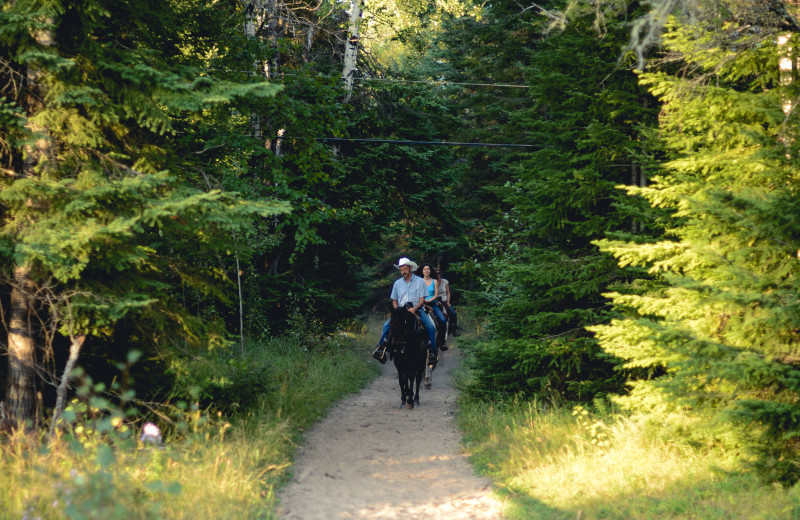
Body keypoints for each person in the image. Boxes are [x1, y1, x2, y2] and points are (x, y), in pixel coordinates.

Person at [377, 257, 438, 360]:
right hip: (401, 310)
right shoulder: (397, 283)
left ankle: (432, 350)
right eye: (401, 270)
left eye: (405, 269)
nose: (403, 271)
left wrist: (414, 308)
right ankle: (382, 348)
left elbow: (422, 299)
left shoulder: (420, 281)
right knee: (387, 325)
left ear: (410, 268)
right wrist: (397, 311)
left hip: (417, 309)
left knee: (430, 326)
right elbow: (394, 300)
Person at [417, 262, 447, 328]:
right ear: (422, 271)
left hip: (432, 304)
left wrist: (429, 300)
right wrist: (423, 300)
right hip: (421, 304)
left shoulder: (435, 281)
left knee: (443, 319)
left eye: (428, 269)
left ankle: (441, 337)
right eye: (424, 269)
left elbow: (436, 295)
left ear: (430, 271)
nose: (426, 271)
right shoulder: (419, 281)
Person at [438, 270, 461, 337]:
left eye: (438, 273)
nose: (437, 275)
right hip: (436, 300)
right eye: (436, 273)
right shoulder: (432, 281)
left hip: (444, 300)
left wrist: (448, 301)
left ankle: (454, 328)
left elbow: (448, 292)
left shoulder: (445, 281)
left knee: (453, 313)